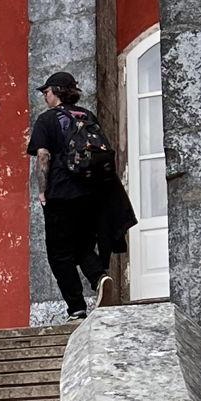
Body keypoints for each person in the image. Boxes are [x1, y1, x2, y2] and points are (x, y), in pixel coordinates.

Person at [26, 73, 134, 320]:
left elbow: (43, 156)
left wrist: (43, 191)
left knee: (59, 254)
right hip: (92, 193)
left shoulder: (46, 120)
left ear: (56, 91)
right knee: (83, 245)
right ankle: (99, 277)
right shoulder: (86, 115)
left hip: (62, 193)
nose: (45, 96)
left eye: (46, 92)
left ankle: (76, 307)